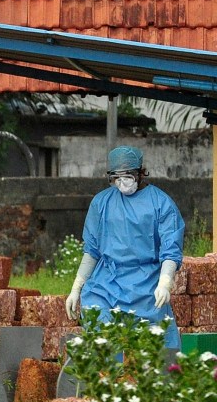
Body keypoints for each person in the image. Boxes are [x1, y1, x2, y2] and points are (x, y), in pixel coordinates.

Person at [65, 145, 185, 348]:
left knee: (152, 353)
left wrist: (164, 283)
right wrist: (76, 288)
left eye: (127, 176)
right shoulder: (102, 203)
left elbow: (170, 249)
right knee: (102, 344)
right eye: (116, 178)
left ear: (140, 173)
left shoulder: (161, 203)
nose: (122, 183)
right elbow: (92, 250)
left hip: (145, 287)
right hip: (106, 284)